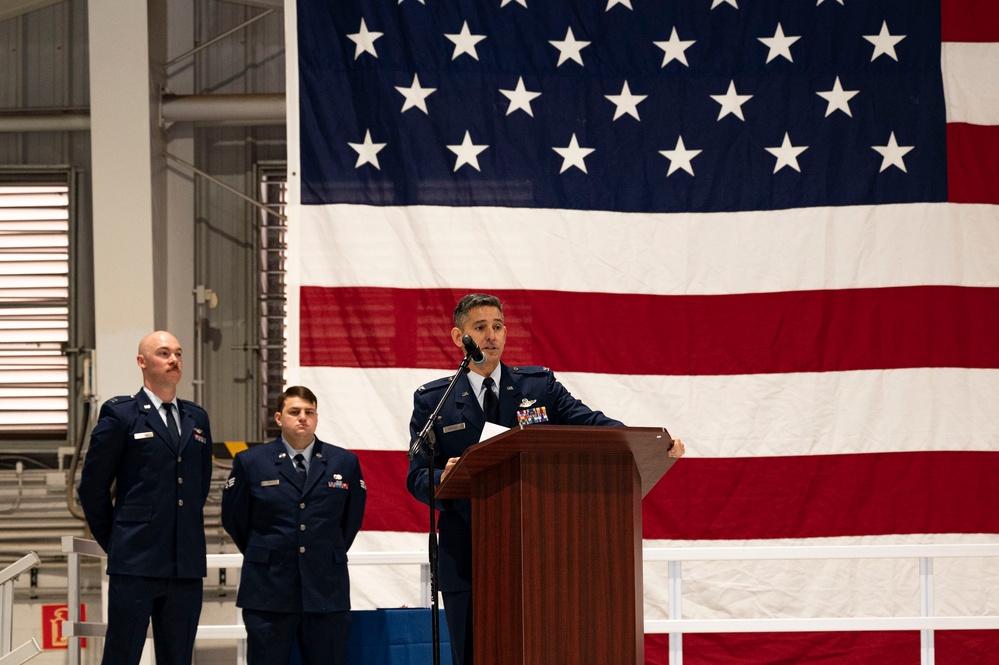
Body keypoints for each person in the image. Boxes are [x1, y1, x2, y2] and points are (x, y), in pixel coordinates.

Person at [406, 293, 685, 665]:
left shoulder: (538, 387)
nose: (491, 335)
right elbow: (417, 476)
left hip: (538, 551)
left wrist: (646, 445)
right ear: (459, 337)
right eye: (480, 327)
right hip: (467, 552)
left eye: (498, 326)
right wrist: (446, 476)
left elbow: (593, 425)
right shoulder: (434, 400)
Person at [78, 331, 214, 665]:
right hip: (136, 562)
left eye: (179, 354)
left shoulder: (197, 418)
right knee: (123, 656)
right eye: (164, 353)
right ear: (142, 362)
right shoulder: (121, 415)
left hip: (185, 565)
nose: (174, 360)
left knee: (178, 658)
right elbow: (92, 489)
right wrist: (118, 542)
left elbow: (199, 486)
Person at [221, 385, 367, 665]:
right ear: (278, 418)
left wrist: (321, 551)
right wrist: (266, 551)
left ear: (316, 417)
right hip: (268, 592)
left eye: (309, 412)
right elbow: (234, 519)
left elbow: (350, 520)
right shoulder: (251, 462)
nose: (303, 418)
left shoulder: (344, 462)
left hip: (325, 591)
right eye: (294, 412)